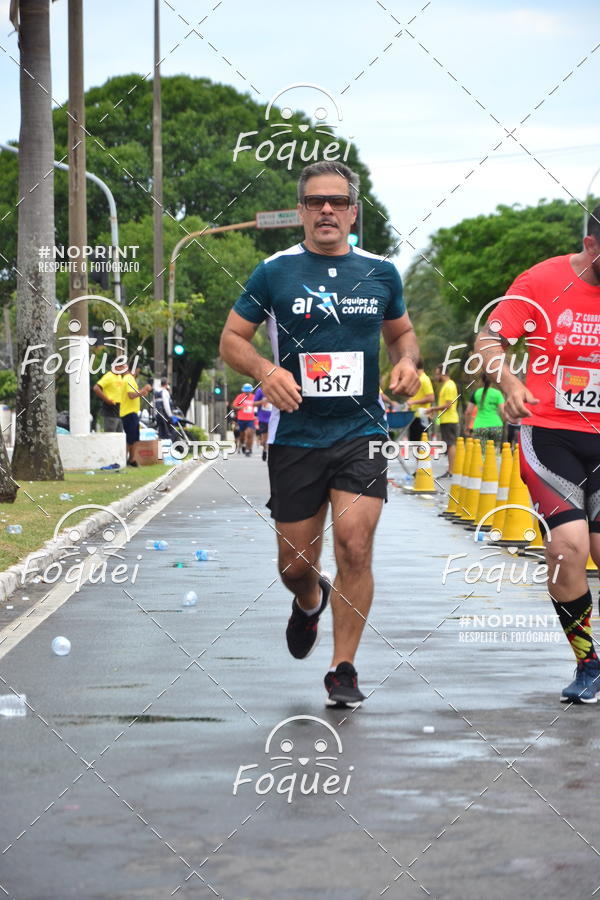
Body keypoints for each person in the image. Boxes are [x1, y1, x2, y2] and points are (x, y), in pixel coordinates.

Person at [220, 160, 420, 708]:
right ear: (302, 212)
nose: (326, 210)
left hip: (361, 431)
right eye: (314, 202)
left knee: (355, 543)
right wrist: (266, 370)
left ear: (354, 212)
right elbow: (232, 339)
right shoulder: (274, 272)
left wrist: (409, 363)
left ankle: (343, 668)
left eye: (337, 201)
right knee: (295, 566)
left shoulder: (381, 271)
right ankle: (309, 601)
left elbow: (402, 334)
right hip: (297, 437)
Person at [474, 203, 600, 703]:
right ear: (592, 246)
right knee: (567, 547)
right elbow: (489, 338)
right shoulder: (543, 281)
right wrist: (508, 381)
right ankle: (589, 663)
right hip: (551, 432)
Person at [428, 365, 459, 475]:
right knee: (449, 444)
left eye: (437, 374)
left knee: (450, 444)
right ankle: (450, 469)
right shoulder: (446, 385)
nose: (436, 376)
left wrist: (433, 408)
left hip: (449, 419)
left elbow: (448, 405)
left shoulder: (449, 386)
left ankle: (451, 470)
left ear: (443, 373)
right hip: (446, 419)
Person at [120, 364, 153, 467]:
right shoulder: (129, 378)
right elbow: (131, 395)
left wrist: (141, 391)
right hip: (129, 412)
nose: (138, 372)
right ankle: (129, 460)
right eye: (138, 370)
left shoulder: (128, 379)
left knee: (133, 438)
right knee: (131, 438)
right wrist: (142, 391)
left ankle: (132, 459)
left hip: (130, 412)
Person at [465, 374, 505, 446]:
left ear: (481, 381)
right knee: (494, 452)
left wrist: (468, 427)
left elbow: (468, 412)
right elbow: (503, 411)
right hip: (496, 425)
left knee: (481, 454)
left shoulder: (476, 393)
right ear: (492, 381)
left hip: (480, 426)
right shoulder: (497, 393)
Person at [93, 359, 127, 432]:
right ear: (116, 367)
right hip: (110, 409)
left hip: (119, 410)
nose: (124, 370)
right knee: (110, 434)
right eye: (122, 367)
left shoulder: (119, 377)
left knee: (119, 435)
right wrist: (107, 400)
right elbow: (96, 388)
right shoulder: (109, 376)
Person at [406, 357, 435, 443]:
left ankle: (423, 457)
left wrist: (413, 402)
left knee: (422, 443)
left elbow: (431, 397)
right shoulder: (417, 379)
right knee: (414, 442)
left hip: (422, 416)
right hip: (414, 416)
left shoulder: (425, 379)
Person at [232, 383, 256, 455]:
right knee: (242, 436)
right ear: (243, 391)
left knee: (249, 434)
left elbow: (258, 405)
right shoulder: (240, 397)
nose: (247, 393)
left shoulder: (254, 397)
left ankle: (249, 449)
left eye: (248, 391)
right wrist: (240, 408)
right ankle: (243, 444)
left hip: (250, 419)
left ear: (251, 391)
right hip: (241, 419)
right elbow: (234, 406)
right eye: (246, 391)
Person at [154, 377, 179, 441]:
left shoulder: (156, 392)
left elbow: (154, 404)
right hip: (165, 415)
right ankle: (170, 447)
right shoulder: (165, 392)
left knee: (161, 434)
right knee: (171, 433)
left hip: (158, 415)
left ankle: (161, 449)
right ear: (166, 384)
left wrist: (155, 415)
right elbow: (166, 406)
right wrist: (170, 416)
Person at [253, 385, 272, 461]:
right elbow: (254, 403)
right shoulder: (260, 390)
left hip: (274, 418)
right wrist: (262, 401)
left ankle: (271, 454)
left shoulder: (277, 388)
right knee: (264, 440)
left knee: (272, 438)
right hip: (263, 418)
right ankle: (265, 450)